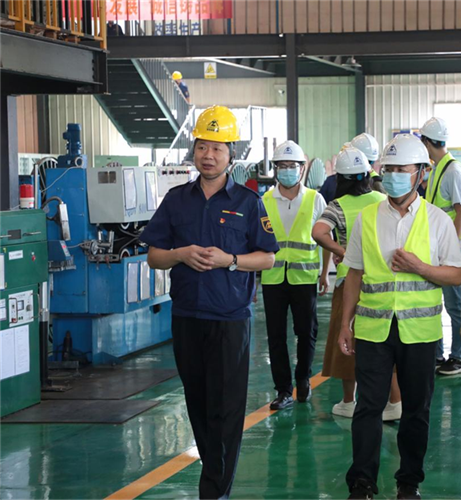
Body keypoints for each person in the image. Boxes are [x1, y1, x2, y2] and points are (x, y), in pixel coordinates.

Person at [141, 105, 278, 499]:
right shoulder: (176, 200)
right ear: (194, 150)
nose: (209, 155)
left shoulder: (248, 202)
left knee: (226, 408)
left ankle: (215, 489)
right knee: (198, 403)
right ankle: (214, 475)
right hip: (187, 316)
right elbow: (154, 256)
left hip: (230, 318)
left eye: (218, 148)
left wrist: (230, 260)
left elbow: (267, 258)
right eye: (202, 146)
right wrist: (181, 254)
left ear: (231, 155)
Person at [339, 134, 461, 500]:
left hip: (420, 332)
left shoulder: (438, 221)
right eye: (389, 169)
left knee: (416, 410)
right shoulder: (367, 218)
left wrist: (420, 267)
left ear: (421, 174)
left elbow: (457, 274)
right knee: (368, 407)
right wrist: (346, 323)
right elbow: (354, 273)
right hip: (373, 329)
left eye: (402, 170)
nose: (393, 176)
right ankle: (362, 482)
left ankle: (409, 481)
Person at [312, 147, 402, 422]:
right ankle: (395, 401)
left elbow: (318, 232)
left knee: (347, 340)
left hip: (349, 282)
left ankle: (349, 401)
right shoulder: (383, 201)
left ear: (340, 178)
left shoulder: (337, 206)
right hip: (381, 283)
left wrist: (342, 251)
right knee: (385, 342)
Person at [261, 140, 328, 411]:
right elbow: (255, 242)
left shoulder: (315, 199)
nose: (287, 170)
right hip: (273, 278)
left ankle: (303, 379)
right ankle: (283, 390)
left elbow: (326, 238)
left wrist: (325, 274)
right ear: (275, 169)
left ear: (302, 168)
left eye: (292, 165)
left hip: (305, 278)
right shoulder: (264, 201)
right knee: (276, 336)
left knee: (306, 332)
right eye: (282, 165)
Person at [420, 117, 461, 375]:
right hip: (437, 247)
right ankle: (438, 355)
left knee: (455, 306)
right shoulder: (438, 169)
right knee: (436, 304)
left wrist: (453, 249)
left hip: (451, 250)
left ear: (427, 142)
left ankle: (458, 358)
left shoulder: (453, 170)